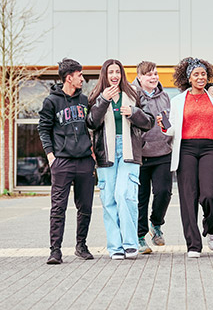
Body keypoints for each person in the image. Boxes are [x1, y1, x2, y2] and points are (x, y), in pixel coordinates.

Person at [158, 57, 213, 258]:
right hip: (185, 148)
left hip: (209, 148)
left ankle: (211, 228)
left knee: (209, 194)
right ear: (188, 78)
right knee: (188, 197)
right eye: (196, 74)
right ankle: (193, 245)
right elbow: (172, 130)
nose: (200, 77)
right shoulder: (178, 101)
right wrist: (163, 125)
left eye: (203, 74)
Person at [87, 59, 154, 260]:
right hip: (105, 153)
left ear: (122, 74)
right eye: (110, 72)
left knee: (125, 194)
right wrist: (103, 101)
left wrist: (133, 113)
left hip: (129, 152)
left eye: (117, 72)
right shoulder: (97, 96)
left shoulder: (134, 94)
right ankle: (115, 247)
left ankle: (130, 244)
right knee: (109, 200)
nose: (114, 75)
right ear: (104, 75)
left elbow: (149, 122)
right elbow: (91, 123)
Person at [38, 58, 95, 265]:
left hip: (84, 161)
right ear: (69, 77)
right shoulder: (51, 101)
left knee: (85, 207)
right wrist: (51, 156)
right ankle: (55, 250)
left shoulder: (84, 100)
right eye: (79, 75)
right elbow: (43, 129)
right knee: (58, 208)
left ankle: (81, 245)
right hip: (62, 162)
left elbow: (92, 126)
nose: (82, 78)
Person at [132, 61, 173, 254]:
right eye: (149, 75)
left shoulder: (164, 96)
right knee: (141, 198)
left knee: (164, 192)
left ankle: (156, 225)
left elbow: (168, 122)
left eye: (155, 74)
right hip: (140, 154)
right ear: (139, 77)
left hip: (162, 151)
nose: (154, 77)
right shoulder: (132, 95)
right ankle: (140, 237)